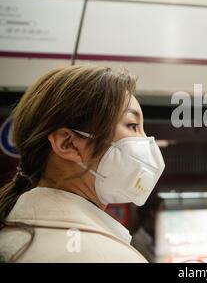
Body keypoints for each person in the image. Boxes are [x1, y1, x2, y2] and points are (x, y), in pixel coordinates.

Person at [0, 65, 165, 262]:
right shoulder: (103, 255)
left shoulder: (12, 233)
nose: (146, 141)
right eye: (132, 125)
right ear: (68, 144)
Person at [129, 191, 164, 262]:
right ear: (152, 213)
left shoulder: (158, 238)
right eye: (163, 210)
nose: (166, 215)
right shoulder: (136, 242)